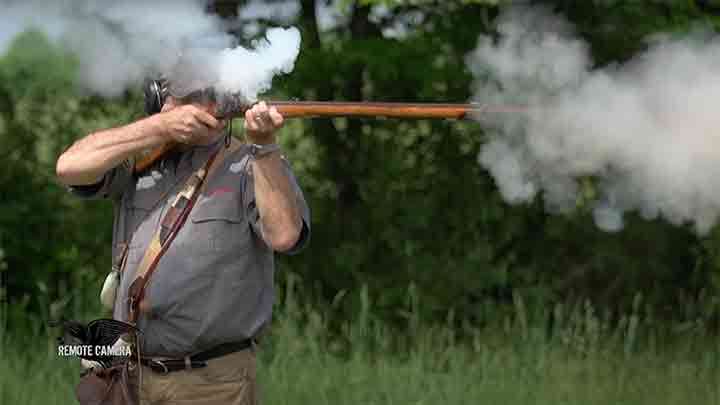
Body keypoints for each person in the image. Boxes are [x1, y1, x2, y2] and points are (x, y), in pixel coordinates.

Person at [55, 84, 311, 404]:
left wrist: (265, 146)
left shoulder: (252, 163)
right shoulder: (140, 161)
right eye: (172, 96)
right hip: (128, 376)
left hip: (211, 383)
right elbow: (68, 167)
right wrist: (158, 128)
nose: (177, 105)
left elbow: (284, 236)